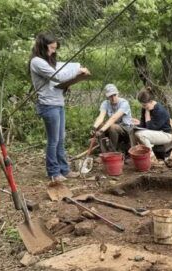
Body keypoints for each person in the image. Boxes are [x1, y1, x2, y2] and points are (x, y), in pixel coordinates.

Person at [29, 33, 89, 181]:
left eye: (55, 48)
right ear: (42, 46)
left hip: (58, 103)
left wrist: (69, 82)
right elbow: (57, 76)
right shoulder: (37, 62)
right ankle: (54, 172)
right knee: (53, 140)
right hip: (48, 105)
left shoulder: (48, 61)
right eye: (51, 48)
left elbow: (59, 79)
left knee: (61, 139)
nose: (53, 51)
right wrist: (77, 71)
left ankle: (64, 169)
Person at [91, 84, 134, 155]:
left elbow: (114, 118)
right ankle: (104, 153)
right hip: (113, 126)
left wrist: (101, 130)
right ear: (107, 96)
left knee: (112, 127)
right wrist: (94, 127)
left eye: (115, 95)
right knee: (100, 125)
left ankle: (112, 152)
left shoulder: (124, 103)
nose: (113, 98)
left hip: (125, 128)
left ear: (118, 93)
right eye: (111, 96)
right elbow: (101, 116)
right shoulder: (105, 103)